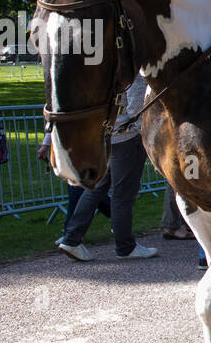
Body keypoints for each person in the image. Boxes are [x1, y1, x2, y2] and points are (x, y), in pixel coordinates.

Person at [56, 75, 159, 261]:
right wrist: (142, 133)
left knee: (97, 188)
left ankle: (72, 238)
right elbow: (137, 109)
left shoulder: (104, 74)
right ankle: (125, 246)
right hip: (127, 138)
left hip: (106, 136)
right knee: (122, 194)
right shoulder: (132, 76)